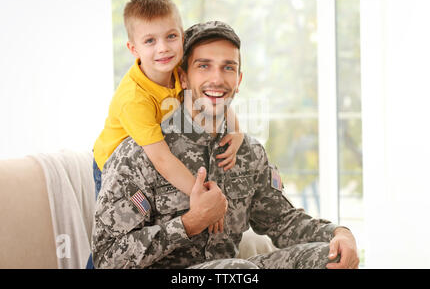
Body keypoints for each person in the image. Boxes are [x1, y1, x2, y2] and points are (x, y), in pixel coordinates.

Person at [91, 21, 360, 269]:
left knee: (330, 257)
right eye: (204, 66)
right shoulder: (140, 153)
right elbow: (106, 258)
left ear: (239, 80)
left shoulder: (249, 152)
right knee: (238, 270)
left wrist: (339, 233)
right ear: (183, 78)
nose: (217, 79)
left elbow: (282, 221)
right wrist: (189, 223)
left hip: (233, 273)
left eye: (228, 67)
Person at [92, 0, 243, 223]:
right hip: (117, 168)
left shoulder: (177, 68)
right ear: (133, 49)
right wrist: (201, 195)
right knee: (120, 229)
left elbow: (212, 94)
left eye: (171, 36)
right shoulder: (134, 99)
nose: (163, 48)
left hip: (152, 155)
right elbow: (161, 159)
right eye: (150, 41)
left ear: (181, 36)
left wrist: (235, 130)